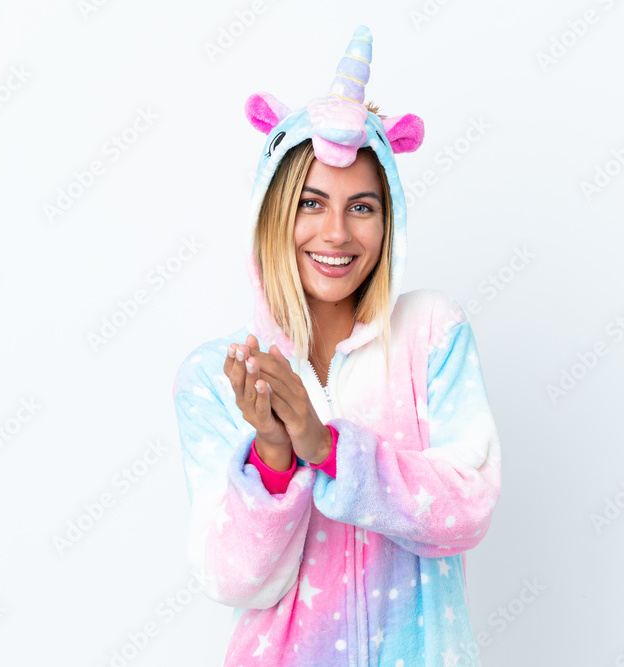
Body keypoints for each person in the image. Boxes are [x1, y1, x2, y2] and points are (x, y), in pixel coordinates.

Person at [172, 25, 502, 666]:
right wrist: (274, 456)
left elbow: (468, 508)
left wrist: (330, 451)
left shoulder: (433, 334)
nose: (335, 233)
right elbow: (234, 579)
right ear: (273, 212)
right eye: (311, 202)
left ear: (390, 219)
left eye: (362, 207)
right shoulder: (216, 376)